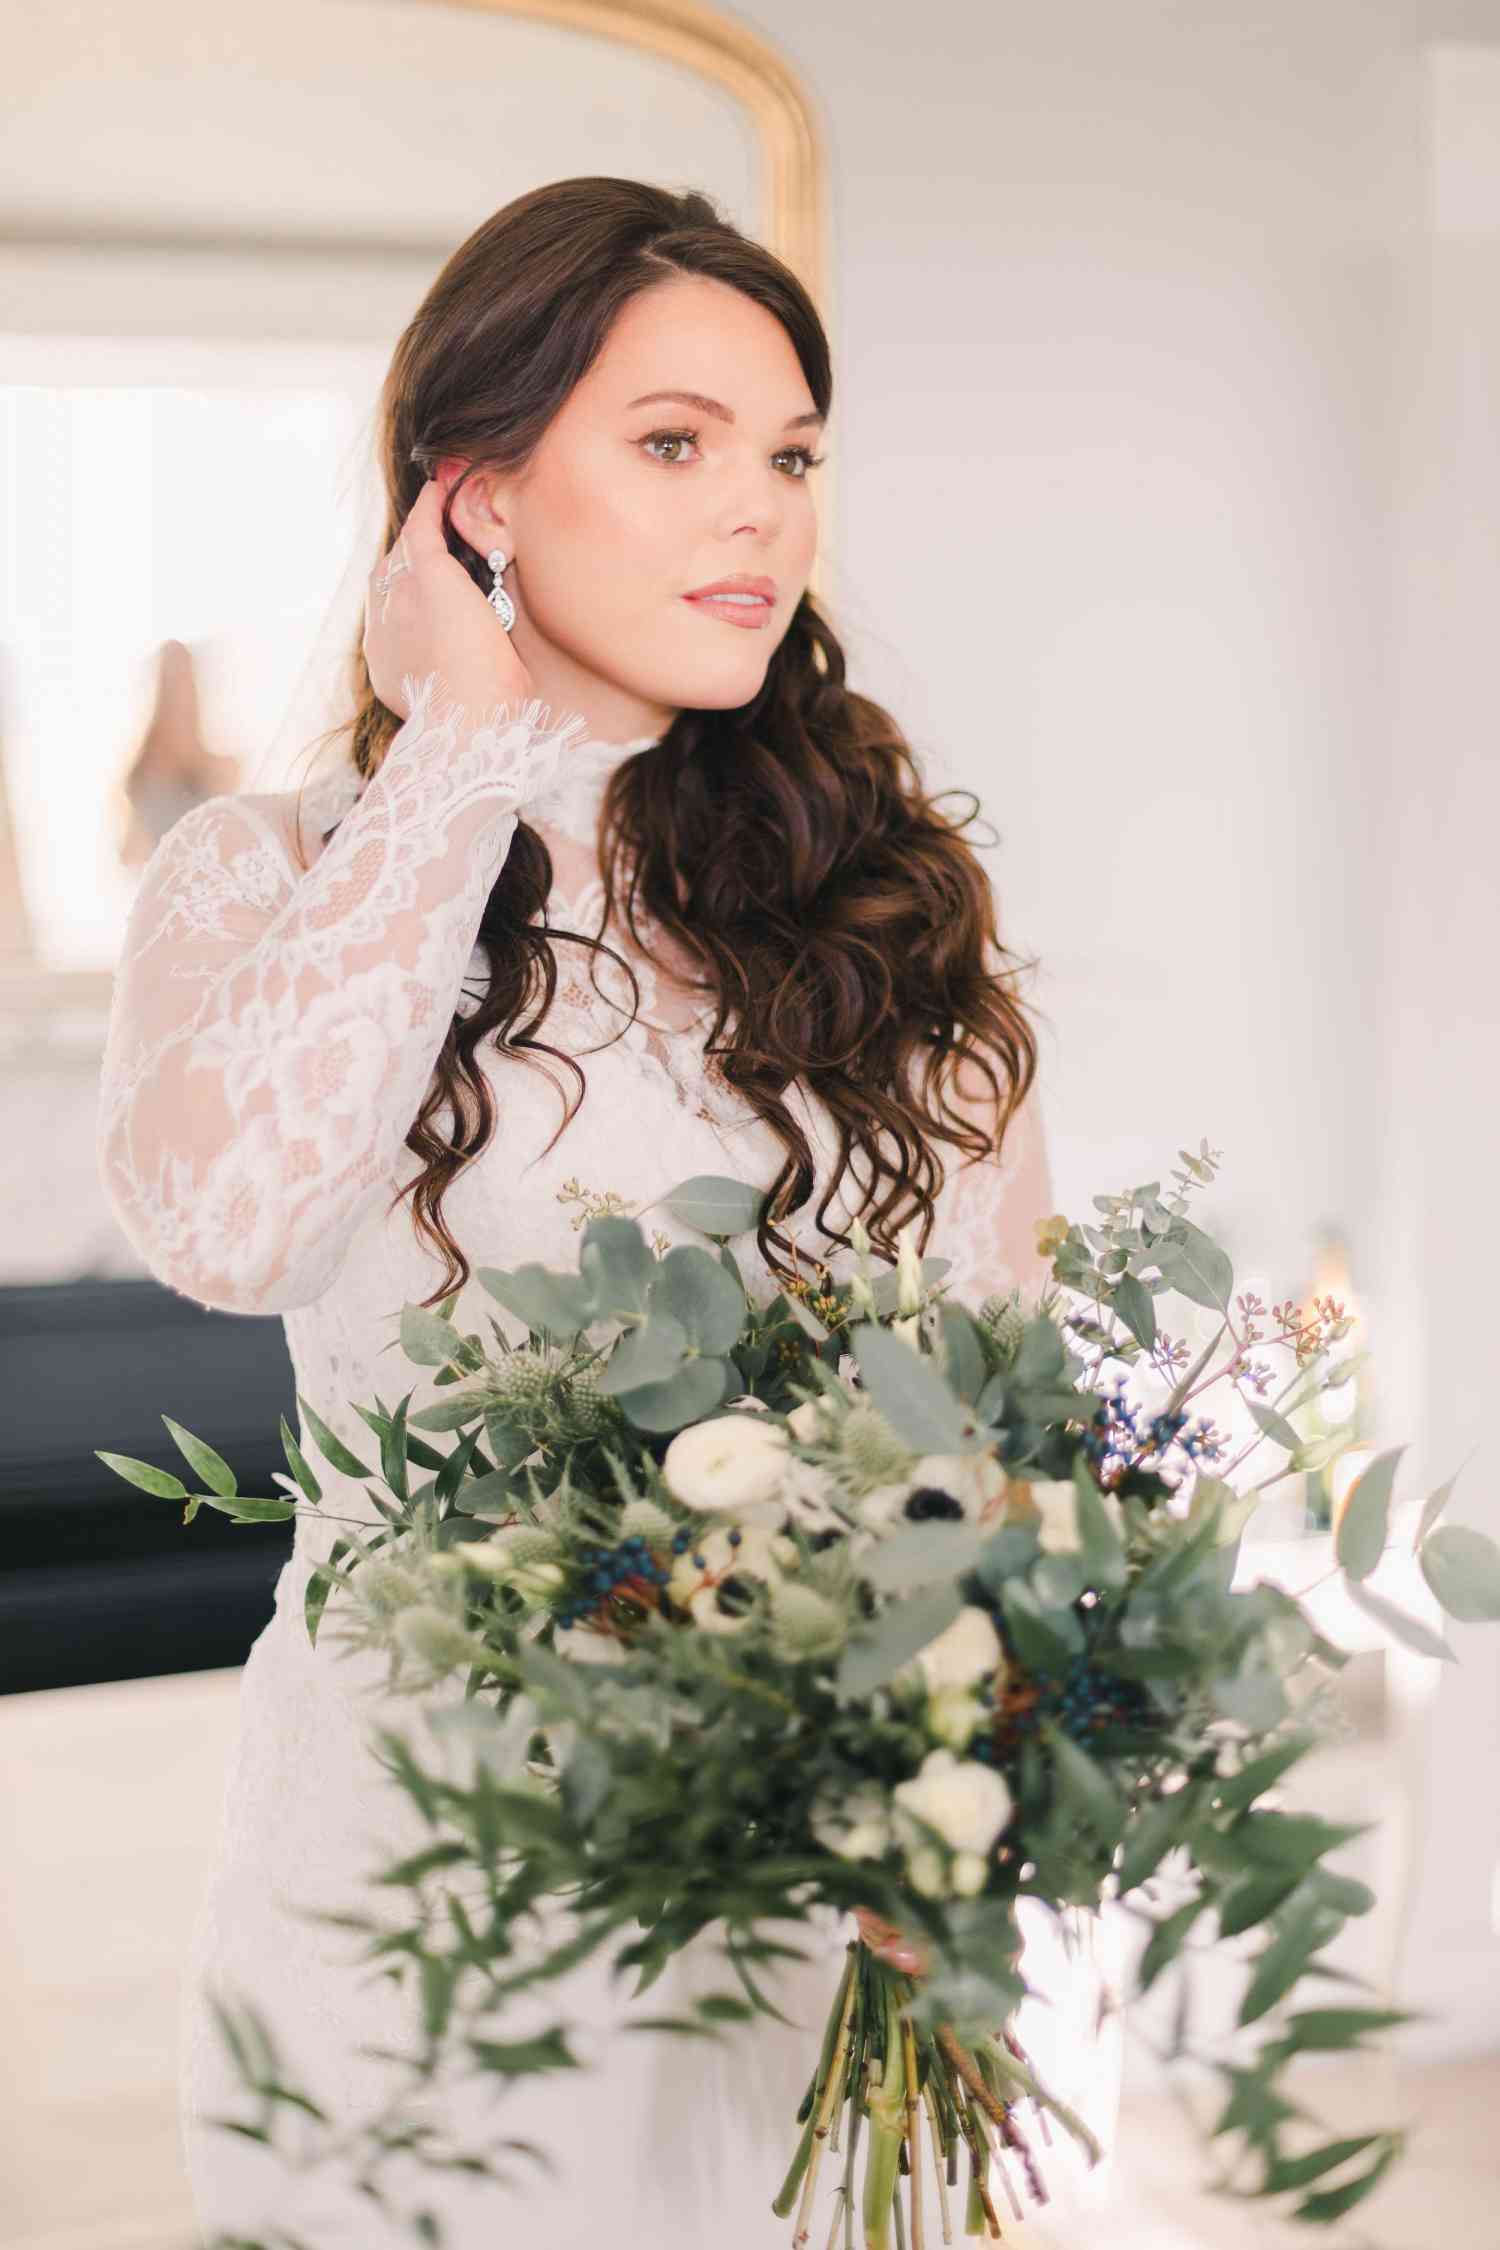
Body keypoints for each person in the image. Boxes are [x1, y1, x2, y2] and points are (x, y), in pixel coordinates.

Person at [96, 177, 1120, 2247]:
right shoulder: (264, 874)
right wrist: (459, 754)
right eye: (674, 444)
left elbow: (1003, 1408)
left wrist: (974, 1789)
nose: (760, 509)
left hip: (804, 1926)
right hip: (414, 1911)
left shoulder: (879, 904)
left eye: (791, 454)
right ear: (472, 497)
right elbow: (231, 1225)